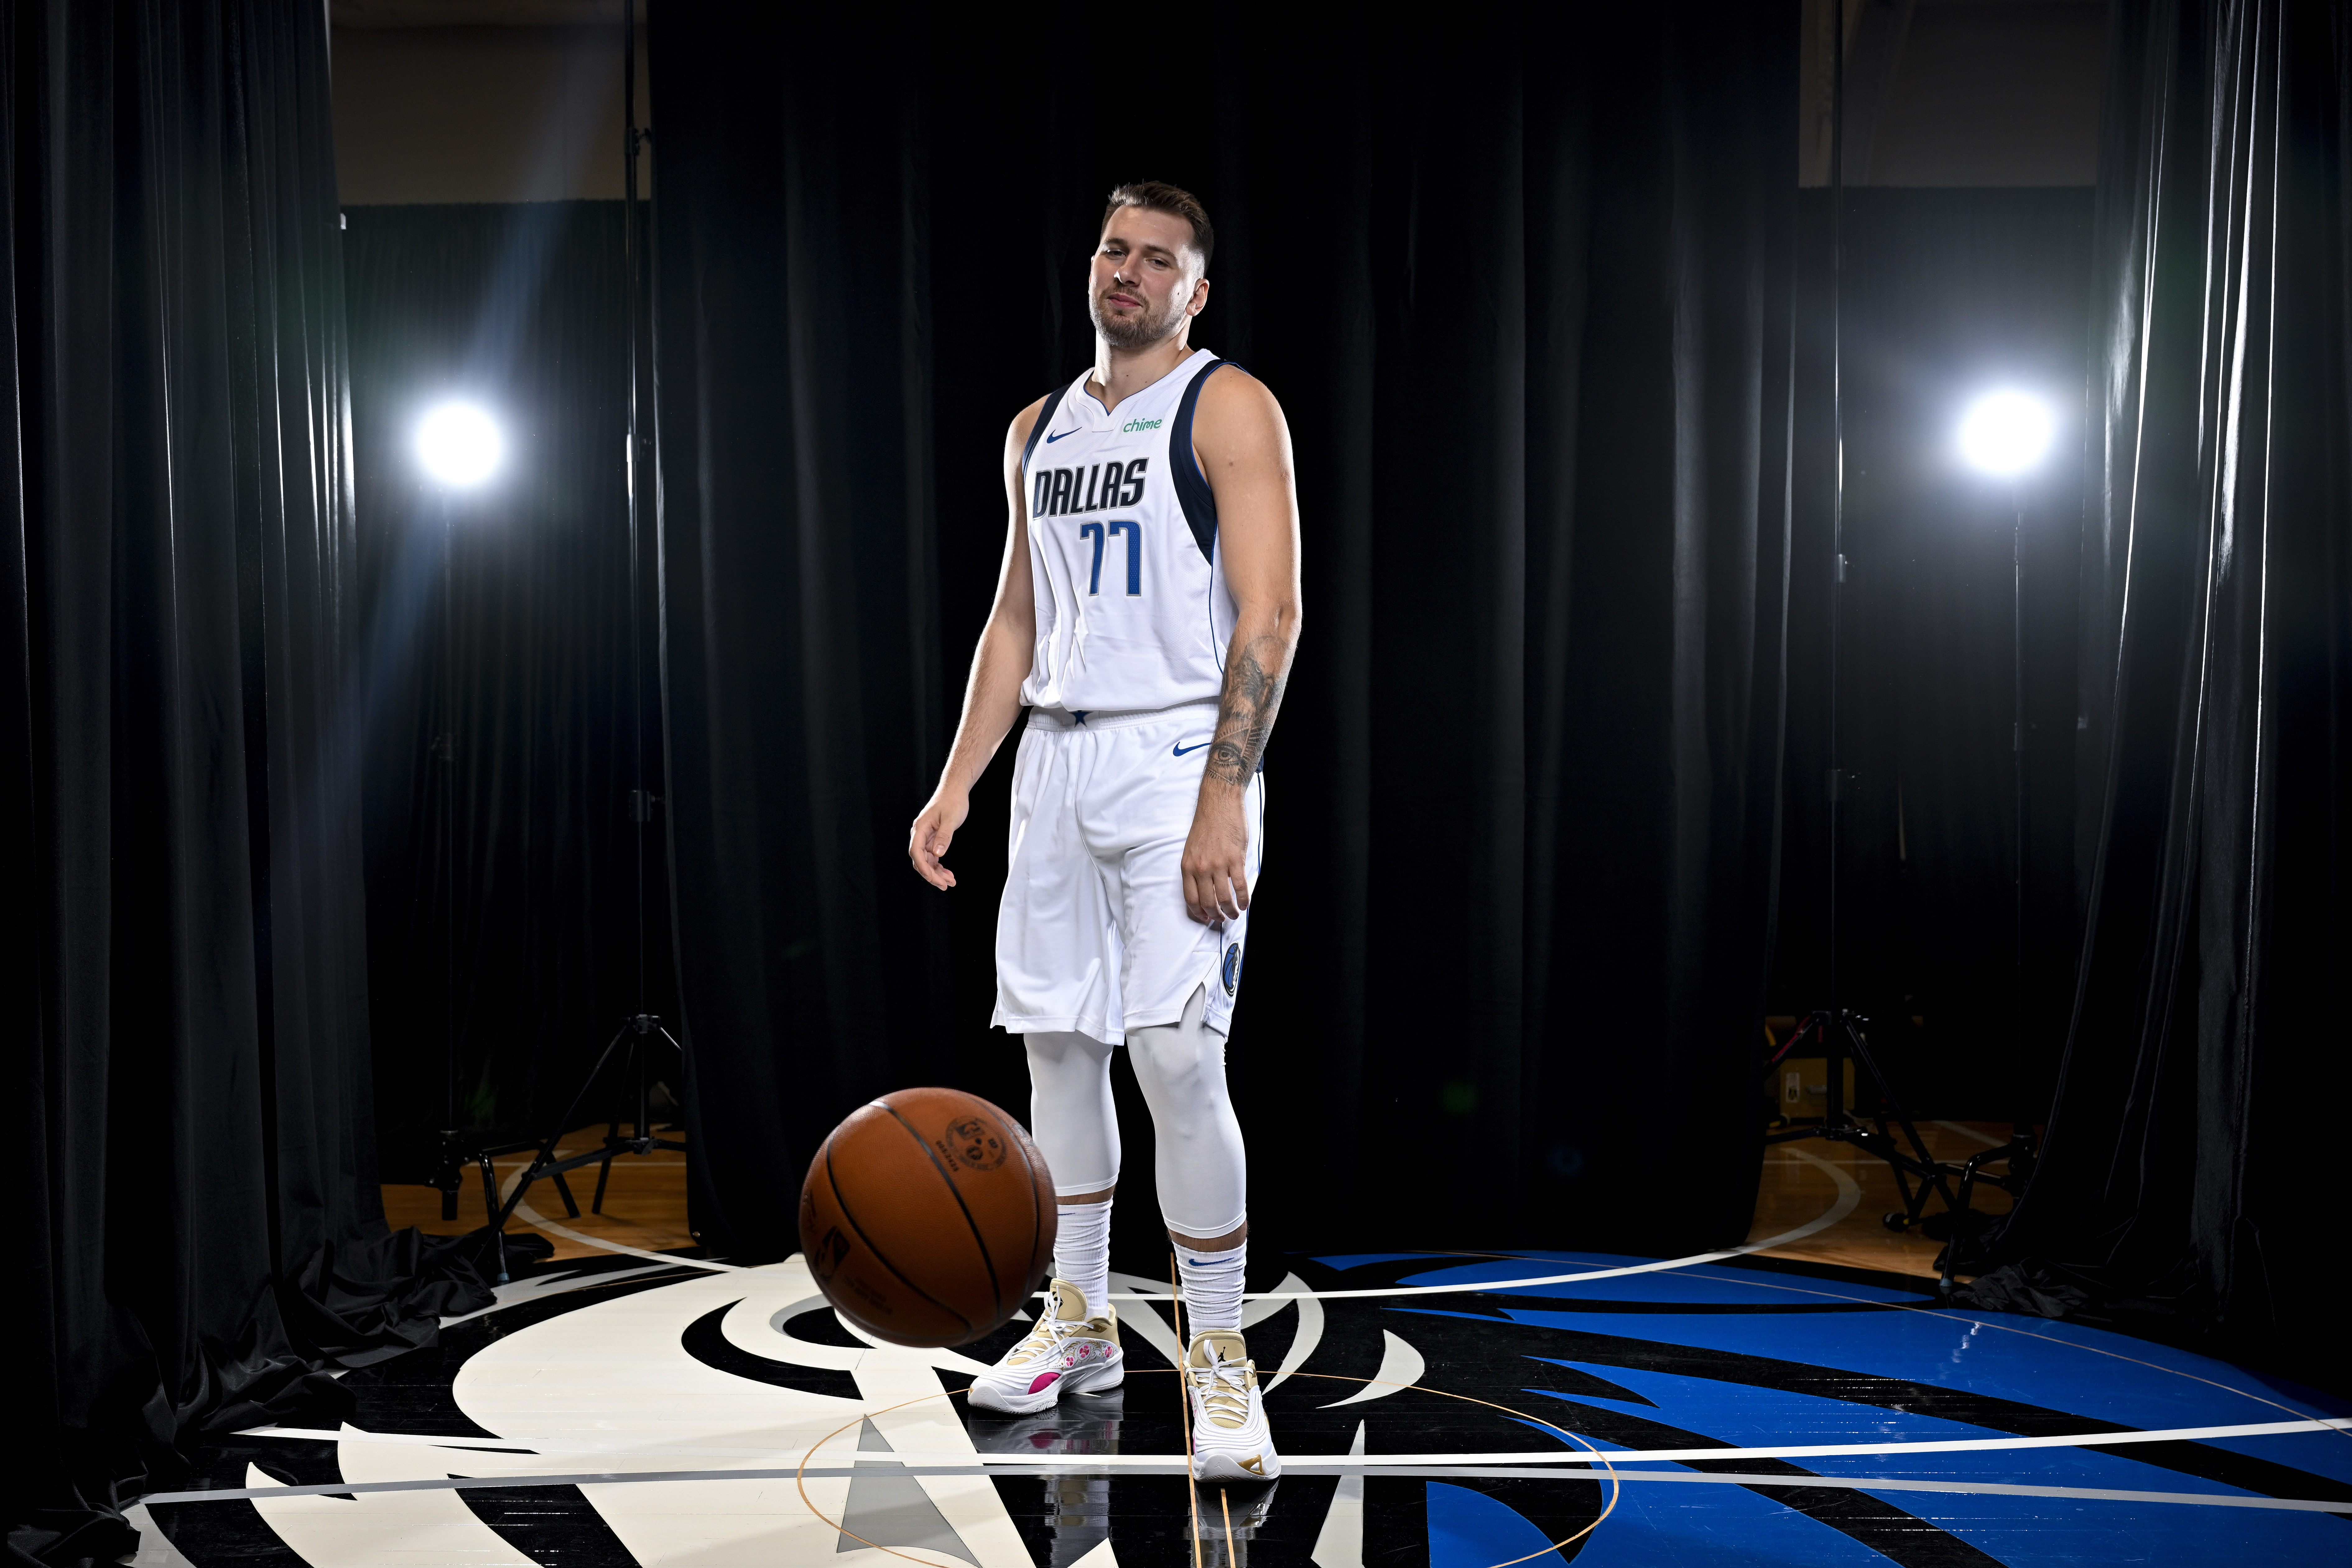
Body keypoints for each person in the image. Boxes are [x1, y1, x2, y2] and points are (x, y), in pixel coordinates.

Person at [907, 180, 1301, 1484]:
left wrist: (1224, 791)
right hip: (1058, 761)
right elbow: (1014, 620)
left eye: (1156, 259)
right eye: (1111, 249)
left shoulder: (1226, 403)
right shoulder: (1036, 428)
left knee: (1177, 1060)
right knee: (1060, 1057)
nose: (1125, 271)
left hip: (1178, 747)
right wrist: (960, 778)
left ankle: (1222, 1352)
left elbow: (1270, 612)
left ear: (1196, 291)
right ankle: (1078, 1327)